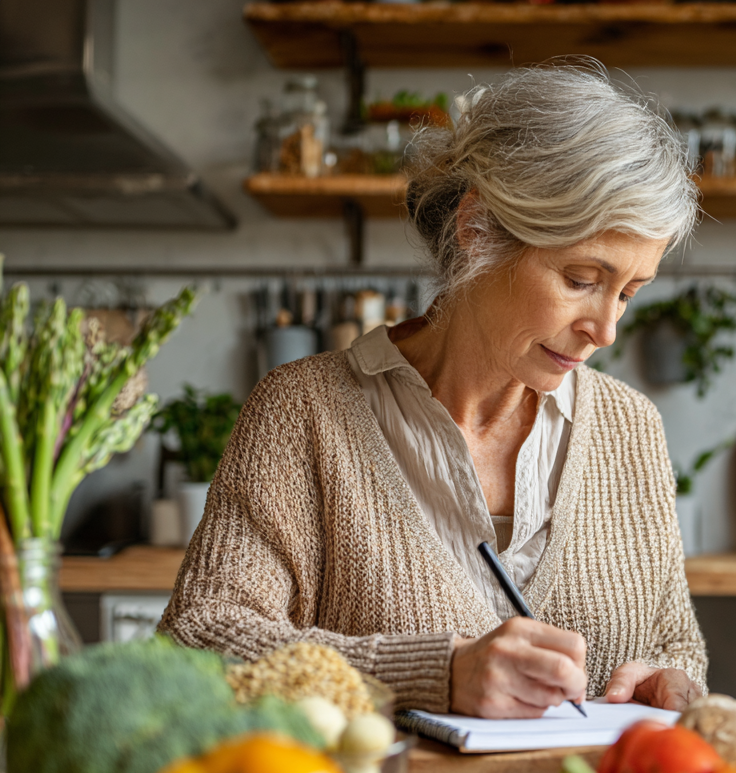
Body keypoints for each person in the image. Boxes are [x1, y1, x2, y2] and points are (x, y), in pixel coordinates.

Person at [161, 62, 708, 718]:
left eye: (628, 292)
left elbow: (675, 644)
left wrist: (671, 681)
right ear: (475, 229)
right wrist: (435, 673)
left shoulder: (630, 426)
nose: (606, 329)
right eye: (582, 278)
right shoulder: (303, 411)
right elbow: (196, 644)